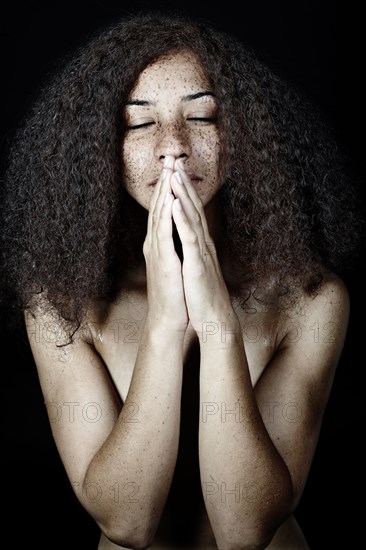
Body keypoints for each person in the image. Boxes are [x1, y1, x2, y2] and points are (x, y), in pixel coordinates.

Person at [0, 9, 362, 550]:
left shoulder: (310, 300)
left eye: (202, 117)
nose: (172, 144)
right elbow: (126, 522)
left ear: (242, 133)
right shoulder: (59, 305)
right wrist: (166, 324)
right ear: (101, 147)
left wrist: (218, 325)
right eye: (140, 123)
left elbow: (244, 530)